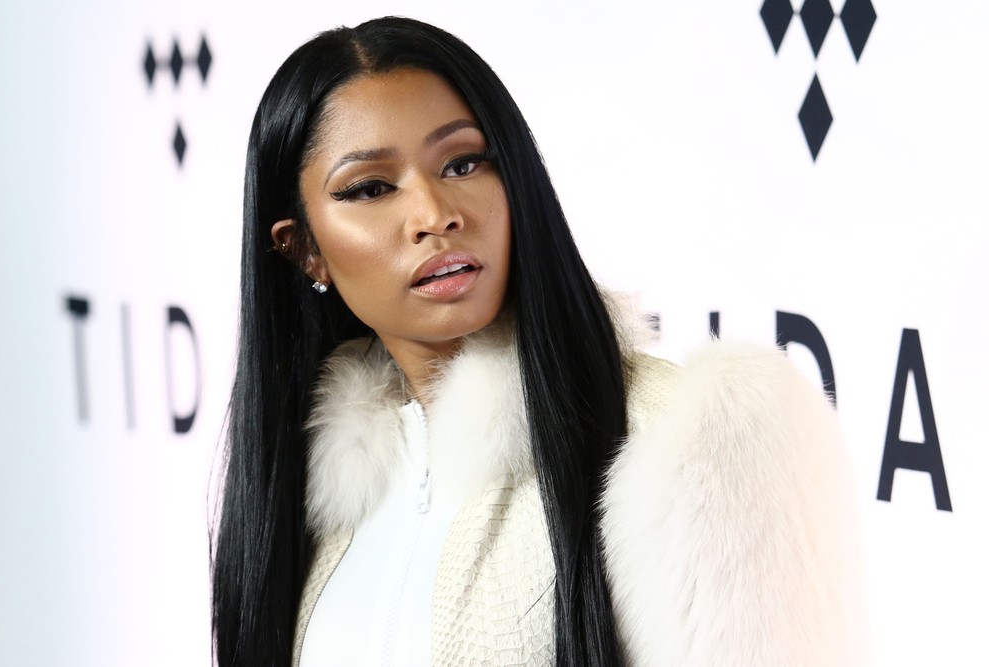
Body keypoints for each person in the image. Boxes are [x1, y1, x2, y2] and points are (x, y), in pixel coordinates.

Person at [211, 16, 861, 667]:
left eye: (463, 162)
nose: (436, 214)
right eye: (371, 188)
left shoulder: (691, 437)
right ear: (305, 249)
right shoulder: (305, 492)